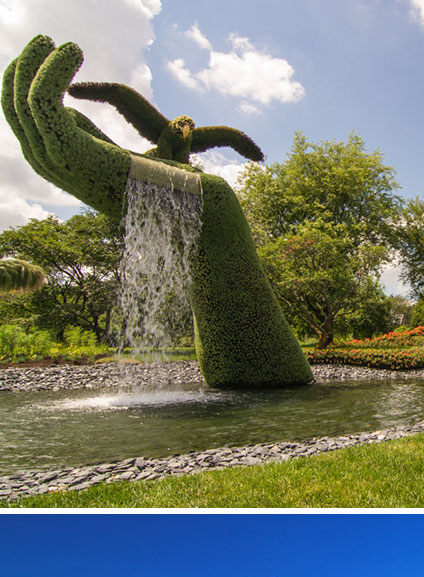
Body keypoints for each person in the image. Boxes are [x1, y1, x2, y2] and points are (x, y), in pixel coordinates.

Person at [2, 35, 312, 386]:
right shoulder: (160, 126)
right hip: (162, 170)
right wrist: (86, 99)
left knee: (210, 180)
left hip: (178, 179)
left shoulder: (201, 149)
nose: (184, 130)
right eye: (181, 126)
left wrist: (246, 151)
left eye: (187, 128)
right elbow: (118, 94)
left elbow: (232, 139)